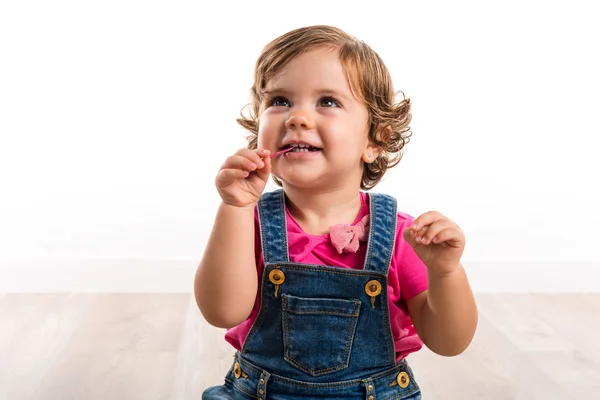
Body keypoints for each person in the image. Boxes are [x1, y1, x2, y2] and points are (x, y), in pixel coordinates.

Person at [195, 25, 478, 400]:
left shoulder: (400, 235)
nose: (297, 117)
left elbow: (450, 341)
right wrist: (234, 207)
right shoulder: (247, 224)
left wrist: (445, 272)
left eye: (327, 102)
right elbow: (222, 312)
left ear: (377, 140)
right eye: (279, 100)